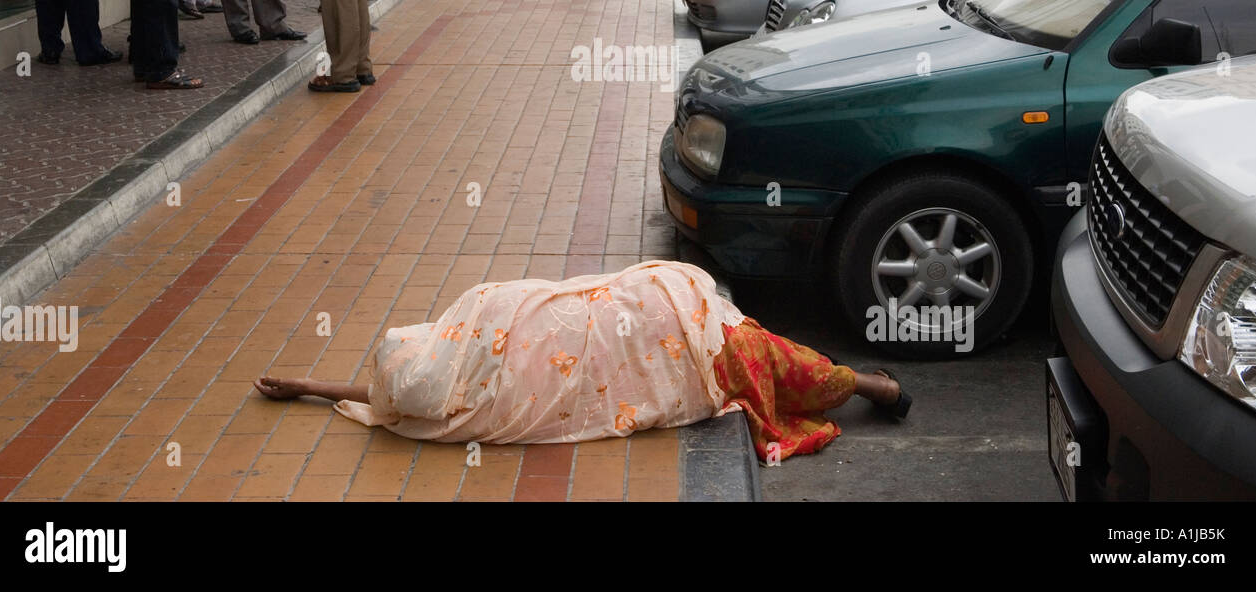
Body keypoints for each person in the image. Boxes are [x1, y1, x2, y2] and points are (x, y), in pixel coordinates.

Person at [255, 261, 911, 459]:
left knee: (765, 355)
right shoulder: (487, 407)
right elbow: (387, 398)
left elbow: (549, 299)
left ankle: (869, 384)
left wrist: (309, 385)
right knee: (767, 361)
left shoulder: (476, 319)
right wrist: (307, 387)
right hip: (666, 344)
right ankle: (870, 386)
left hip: (648, 310)